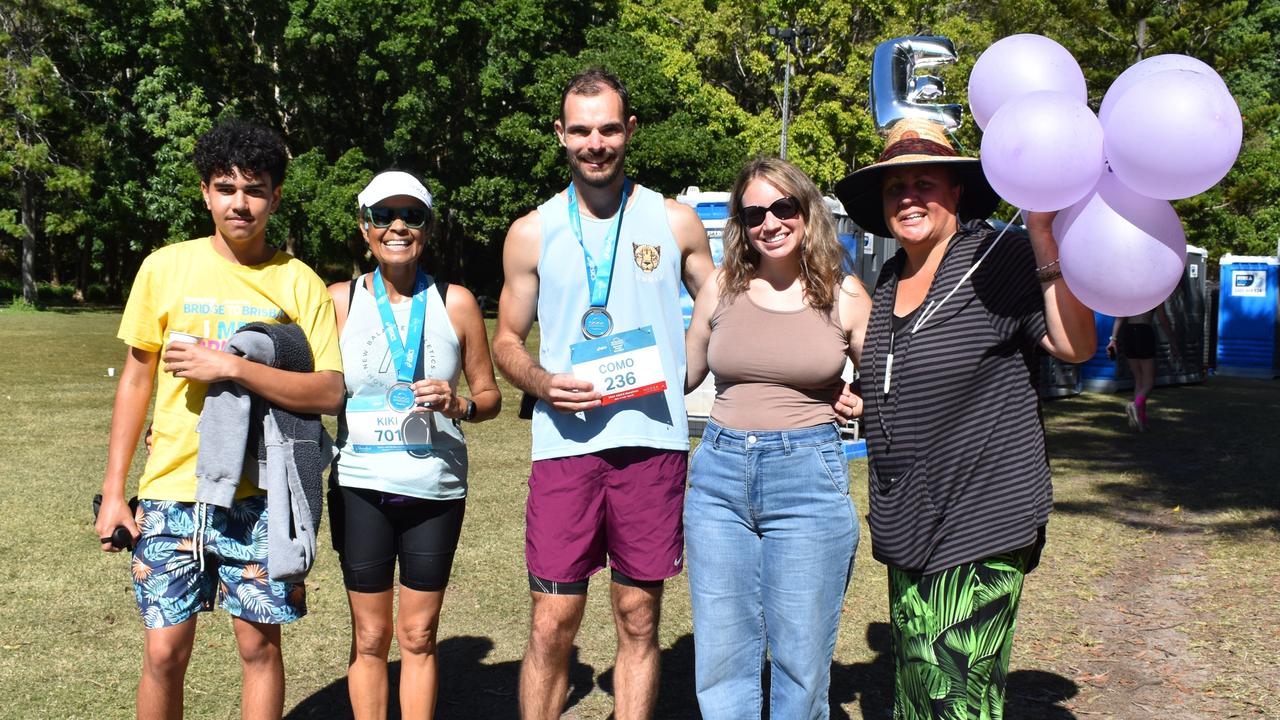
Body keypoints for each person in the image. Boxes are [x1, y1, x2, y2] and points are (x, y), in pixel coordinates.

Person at [833, 118, 1096, 718]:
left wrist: (1043, 240)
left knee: (957, 698)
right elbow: (916, 374)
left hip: (982, 516)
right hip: (908, 519)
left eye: (926, 182)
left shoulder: (999, 255)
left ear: (956, 193)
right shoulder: (892, 274)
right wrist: (867, 399)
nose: (909, 197)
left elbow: (1075, 345)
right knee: (916, 692)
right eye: (896, 186)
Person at [95, 118, 344, 719]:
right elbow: (136, 380)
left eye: (255, 189)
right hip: (172, 490)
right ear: (205, 191)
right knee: (163, 652)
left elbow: (328, 392)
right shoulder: (164, 268)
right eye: (226, 186)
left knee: (258, 646)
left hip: (264, 496)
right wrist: (113, 491)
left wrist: (230, 368)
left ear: (275, 197)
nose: (241, 202)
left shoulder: (299, 282)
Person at [491, 68, 714, 720]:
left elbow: (725, 299)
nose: (596, 143)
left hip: (653, 443)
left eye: (609, 129)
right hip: (567, 446)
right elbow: (506, 337)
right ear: (561, 134)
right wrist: (540, 380)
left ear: (630, 131)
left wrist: (694, 363)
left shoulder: (675, 222)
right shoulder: (531, 231)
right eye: (582, 130)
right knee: (552, 619)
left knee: (639, 617)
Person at [682, 156, 871, 719]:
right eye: (754, 212)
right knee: (721, 658)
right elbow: (681, 372)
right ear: (741, 223)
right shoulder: (720, 287)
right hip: (717, 477)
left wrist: (865, 398)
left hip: (807, 478)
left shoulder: (845, 294)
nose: (770, 222)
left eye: (783, 207)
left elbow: (890, 383)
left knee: (801, 660)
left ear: (807, 211)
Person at [326, 170, 502, 719]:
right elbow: (311, 385)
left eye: (412, 216)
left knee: (420, 634)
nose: (398, 226)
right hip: (360, 487)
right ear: (364, 226)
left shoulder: (457, 302)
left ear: (427, 228)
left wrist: (460, 405)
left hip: (435, 488)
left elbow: (490, 396)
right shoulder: (338, 300)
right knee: (371, 637)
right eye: (384, 215)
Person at [1108, 305, 1176, 431]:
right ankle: (1135, 405)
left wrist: (1113, 339)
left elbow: (1120, 317)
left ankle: (1141, 421)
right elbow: (1163, 320)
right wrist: (1173, 341)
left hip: (1128, 333)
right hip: (1144, 333)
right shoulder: (1156, 294)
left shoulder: (1131, 295)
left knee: (1139, 380)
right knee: (1149, 382)